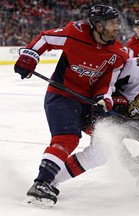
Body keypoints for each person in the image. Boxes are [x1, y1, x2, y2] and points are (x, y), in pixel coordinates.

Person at [13, 4, 128, 207]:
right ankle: (41, 183)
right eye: (111, 23)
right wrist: (29, 56)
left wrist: (103, 100)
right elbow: (45, 38)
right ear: (98, 25)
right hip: (61, 95)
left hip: (88, 104)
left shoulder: (118, 53)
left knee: (104, 148)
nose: (115, 27)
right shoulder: (74, 33)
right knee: (67, 137)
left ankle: (53, 179)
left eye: (115, 22)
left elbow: (106, 83)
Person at [53, 48, 139, 198]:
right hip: (107, 117)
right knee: (100, 155)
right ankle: (51, 179)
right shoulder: (136, 68)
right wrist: (117, 102)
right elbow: (106, 83)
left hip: (136, 121)